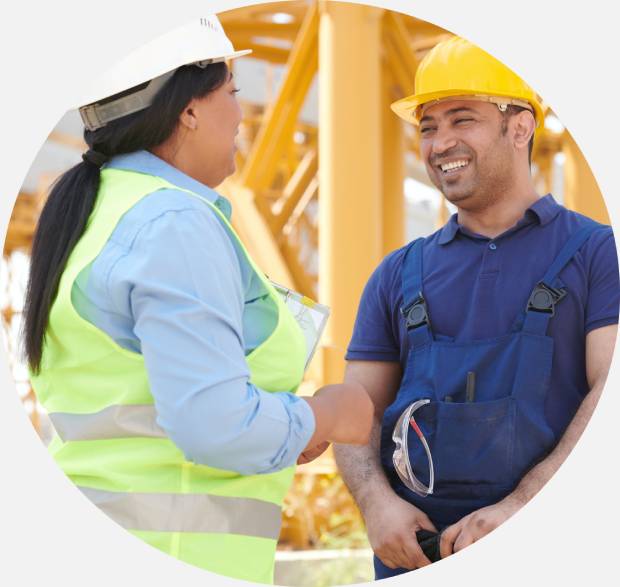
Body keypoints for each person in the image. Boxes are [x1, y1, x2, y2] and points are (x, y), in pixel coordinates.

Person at [23, 16, 373, 584]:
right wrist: (328, 413)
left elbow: (137, 407)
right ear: (188, 110)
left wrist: (286, 429)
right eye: (231, 92)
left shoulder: (100, 211)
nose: (241, 113)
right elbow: (214, 427)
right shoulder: (174, 221)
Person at [334, 36, 619, 579]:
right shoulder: (396, 274)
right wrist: (375, 502)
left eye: (462, 120)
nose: (441, 143)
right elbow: (357, 409)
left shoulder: (598, 254)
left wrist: (523, 507)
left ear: (520, 127)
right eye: (428, 127)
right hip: (416, 554)